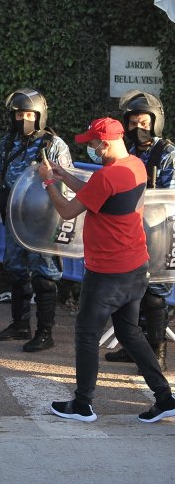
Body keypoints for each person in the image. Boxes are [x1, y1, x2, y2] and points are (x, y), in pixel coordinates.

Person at [39, 118, 175, 423]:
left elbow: (68, 210)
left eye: (92, 143)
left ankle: (83, 404)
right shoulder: (136, 165)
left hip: (107, 274)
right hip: (135, 268)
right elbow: (96, 195)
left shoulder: (108, 176)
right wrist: (64, 174)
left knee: (87, 333)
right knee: (130, 332)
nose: (90, 148)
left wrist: (49, 181)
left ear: (105, 142)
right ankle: (165, 398)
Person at [0, 88, 71, 352]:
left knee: (45, 274)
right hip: (13, 215)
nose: (24, 119)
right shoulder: (8, 141)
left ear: (40, 115)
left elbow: (66, 181)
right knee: (15, 268)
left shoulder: (53, 144)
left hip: (43, 219)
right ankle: (19, 324)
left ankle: (45, 332)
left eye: (30, 114)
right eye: (20, 114)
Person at [105, 90, 175, 369]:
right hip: (130, 229)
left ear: (155, 122)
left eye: (143, 122)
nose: (138, 128)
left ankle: (156, 354)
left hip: (161, 229)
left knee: (155, 294)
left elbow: (170, 196)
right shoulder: (128, 150)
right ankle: (132, 346)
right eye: (132, 123)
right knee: (132, 289)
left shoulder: (168, 153)